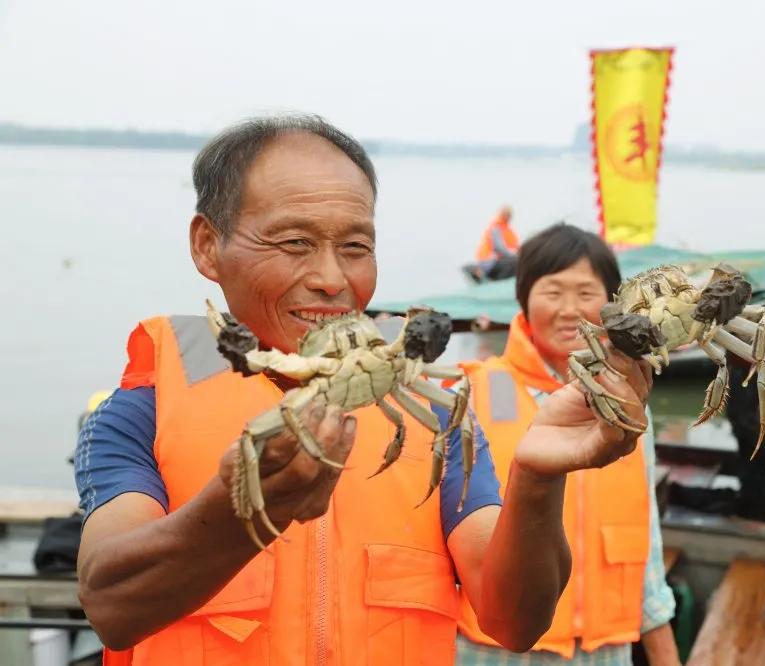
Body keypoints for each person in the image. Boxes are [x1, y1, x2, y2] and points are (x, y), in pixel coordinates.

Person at [73, 115, 652, 666]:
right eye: (294, 243)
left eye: (355, 247)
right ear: (207, 245)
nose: (332, 279)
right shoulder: (141, 413)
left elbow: (515, 620)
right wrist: (243, 513)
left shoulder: (434, 413)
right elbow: (111, 604)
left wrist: (537, 480)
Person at [454, 223, 681, 665]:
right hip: (492, 648)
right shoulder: (476, 392)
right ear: (523, 299)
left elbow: (646, 546)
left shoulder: (630, 405)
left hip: (605, 649)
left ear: (614, 305)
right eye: (552, 292)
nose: (570, 310)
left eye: (586, 293)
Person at [469, 205, 519, 281]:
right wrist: (514, 254)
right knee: (515, 261)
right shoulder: (496, 227)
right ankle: (498, 280)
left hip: (499, 260)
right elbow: (500, 248)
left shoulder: (506, 229)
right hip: (490, 262)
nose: (508, 217)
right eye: (506, 214)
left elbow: (514, 246)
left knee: (516, 260)